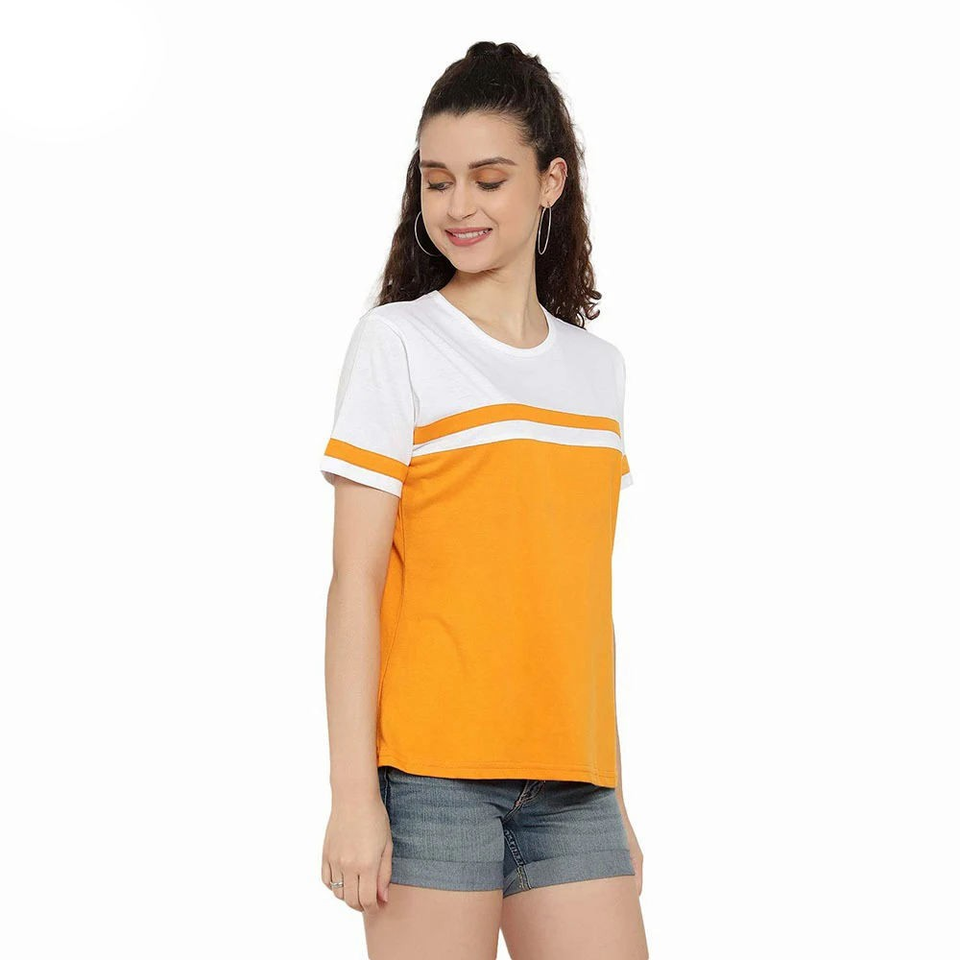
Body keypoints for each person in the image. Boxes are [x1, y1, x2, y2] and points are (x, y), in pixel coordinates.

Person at [319, 41, 650, 960]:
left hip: (576, 785)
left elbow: (578, 601)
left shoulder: (598, 371)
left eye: (489, 179)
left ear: (550, 182)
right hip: (433, 780)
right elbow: (354, 584)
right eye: (437, 181)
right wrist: (354, 796)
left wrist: (617, 792)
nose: (458, 205)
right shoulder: (398, 343)